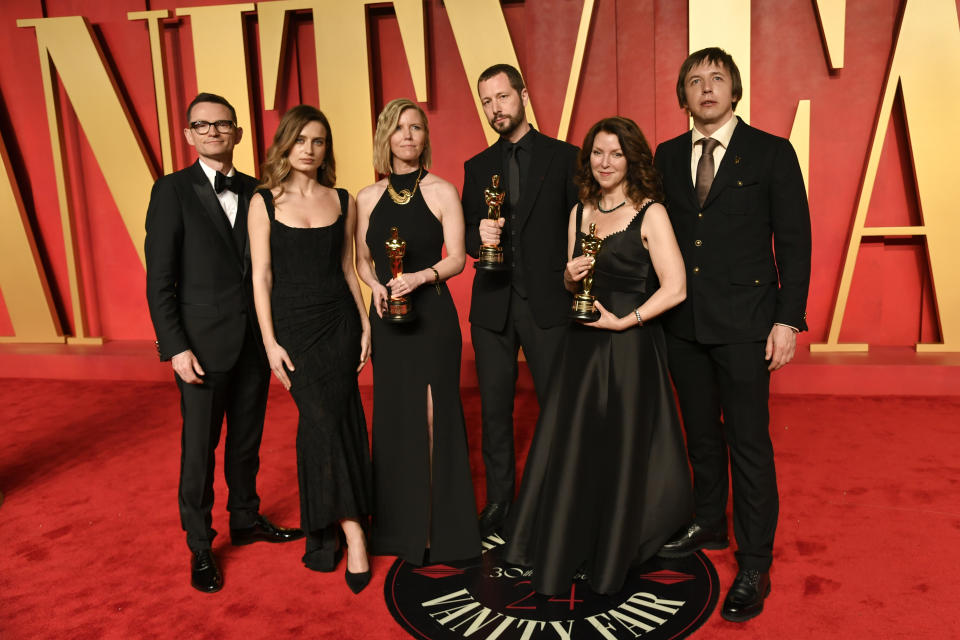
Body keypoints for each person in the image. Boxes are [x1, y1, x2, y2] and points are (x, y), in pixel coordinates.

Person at [503, 116, 692, 595]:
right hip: (583, 347)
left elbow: (676, 288)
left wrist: (626, 322)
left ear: (632, 159)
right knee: (575, 449)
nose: (605, 163)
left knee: (619, 450)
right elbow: (573, 285)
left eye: (615, 154)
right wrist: (570, 277)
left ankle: (611, 547)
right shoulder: (579, 211)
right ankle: (573, 540)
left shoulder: (650, 213)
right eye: (597, 153)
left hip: (629, 347)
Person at [654, 48, 812, 622]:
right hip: (684, 325)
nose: (706, 88)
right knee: (700, 435)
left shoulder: (771, 152)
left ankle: (754, 561)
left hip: (748, 325)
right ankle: (708, 522)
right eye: (695, 81)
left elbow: (794, 243)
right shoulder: (667, 156)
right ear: (684, 96)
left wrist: (787, 320)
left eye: (717, 79)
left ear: (735, 89)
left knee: (748, 443)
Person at [145, 93, 303, 594]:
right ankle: (199, 544)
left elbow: (268, 271)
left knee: (246, 444)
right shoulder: (170, 191)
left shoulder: (259, 191)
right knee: (199, 450)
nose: (214, 132)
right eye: (203, 125)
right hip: (200, 348)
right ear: (189, 134)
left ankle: (245, 519)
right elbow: (160, 280)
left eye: (223, 125)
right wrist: (176, 348)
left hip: (252, 344)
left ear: (237, 133)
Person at [247, 105, 373, 593]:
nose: (309, 149)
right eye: (301, 140)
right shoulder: (264, 201)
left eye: (318, 141)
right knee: (322, 419)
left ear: (326, 149)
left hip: (339, 321)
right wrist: (270, 343)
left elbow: (347, 269)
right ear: (286, 144)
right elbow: (262, 277)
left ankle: (332, 528)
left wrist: (364, 324)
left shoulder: (342, 198)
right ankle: (352, 529)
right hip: (294, 329)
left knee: (336, 419)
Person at [355, 98, 480, 565]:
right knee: (393, 417)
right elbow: (362, 261)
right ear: (385, 137)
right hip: (388, 321)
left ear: (425, 138)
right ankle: (396, 531)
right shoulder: (365, 198)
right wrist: (376, 287)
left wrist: (420, 276)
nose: (407, 136)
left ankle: (438, 529)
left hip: (432, 318)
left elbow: (458, 257)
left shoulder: (443, 191)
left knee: (432, 416)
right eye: (398, 128)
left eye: (416, 128)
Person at [462, 64, 579, 536]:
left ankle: (554, 499)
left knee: (557, 408)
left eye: (503, 97)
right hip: (492, 306)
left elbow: (581, 225)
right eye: (487, 101)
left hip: (549, 301)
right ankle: (500, 502)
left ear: (523, 95)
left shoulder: (566, 157)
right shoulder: (476, 167)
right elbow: (467, 231)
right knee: (494, 411)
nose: (496, 108)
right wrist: (478, 235)